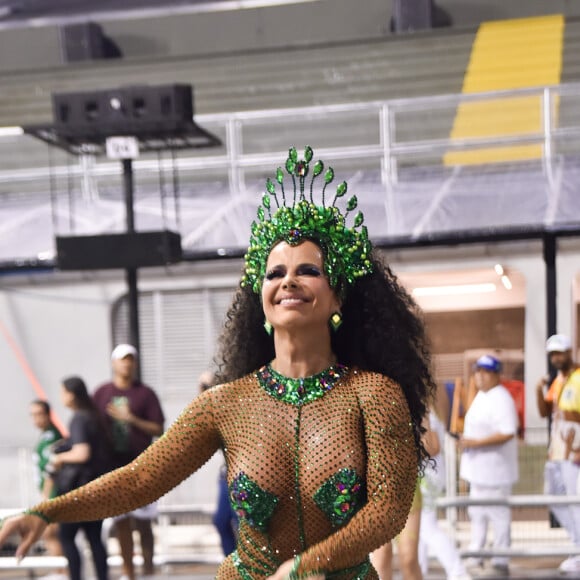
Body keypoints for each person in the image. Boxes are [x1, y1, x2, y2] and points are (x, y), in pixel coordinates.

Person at [0, 146, 435, 580]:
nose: (288, 281)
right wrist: (48, 511)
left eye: (308, 270)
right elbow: (140, 479)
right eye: (274, 273)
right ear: (260, 301)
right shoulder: (226, 404)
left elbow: (388, 508)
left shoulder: (373, 394)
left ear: (338, 296)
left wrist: (306, 567)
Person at [92, 344, 165, 580]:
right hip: (114, 467)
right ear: (114, 363)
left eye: (130, 359)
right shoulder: (102, 393)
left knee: (143, 522)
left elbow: (158, 427)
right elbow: (92, 424)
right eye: (123, 359)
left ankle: (148, 570)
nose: (127, 364)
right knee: (121, 521)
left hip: (142, 467)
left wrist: (131, 419)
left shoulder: (145, 394)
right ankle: (128, 572)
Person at [459, 355, 518, 577]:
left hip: (496, 471)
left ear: (496, 375)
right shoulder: (482, 396)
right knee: (478, 514)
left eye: (485, 371)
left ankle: (501, 558)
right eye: (478, 371)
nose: (480, 376)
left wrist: (475, 443)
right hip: (479, 470)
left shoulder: (501, 398)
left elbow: (507, 432)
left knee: (498, 515)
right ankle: (477, 554)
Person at [48, 377, 110, 580]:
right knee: (94, 538)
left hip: (78, 489)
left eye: (63, 392)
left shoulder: (79, 419)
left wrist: (59, 457)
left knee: (66, 537)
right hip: (96, 488)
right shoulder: (94, 416)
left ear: (72, 394)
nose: (61, 397)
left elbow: (82, 453)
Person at [536, 334, 580, 574]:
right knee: (552, 496)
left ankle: (579, 551)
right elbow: (545, 412)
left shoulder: (578, 379)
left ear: (569, 352)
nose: (556, 358)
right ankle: (577, 544)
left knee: (574, 501)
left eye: (560, 353)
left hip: (574, 453)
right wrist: (537, 389)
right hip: (557, 452)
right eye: (553, 354)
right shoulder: (558, 381)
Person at [418, 408, 470, 580]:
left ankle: (458, 572)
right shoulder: (425, 411)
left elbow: (432, 447)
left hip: (427, 479)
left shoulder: (422, 412)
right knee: (419, 529)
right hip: (426, 477)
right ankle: (420, 571)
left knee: (427, 527)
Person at [199, 371, 239, 557]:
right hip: (226, 475)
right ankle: (233, 565)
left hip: (242, 476)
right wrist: (202, 392)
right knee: (221, 521)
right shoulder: (212, 411)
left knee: (242, 525)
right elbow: (201, 427)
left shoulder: (235, 407)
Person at [29, 400, 67, 580]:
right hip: (48, 493)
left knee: (51, 532)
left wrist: (46, 496)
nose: (36, 419)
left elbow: (52, 469)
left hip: (54, 493)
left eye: (39, 414)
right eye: (33, 414)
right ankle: (59, 569)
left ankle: (61, 571)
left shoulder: (52, 436)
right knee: (50, 533)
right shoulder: (44, 436)